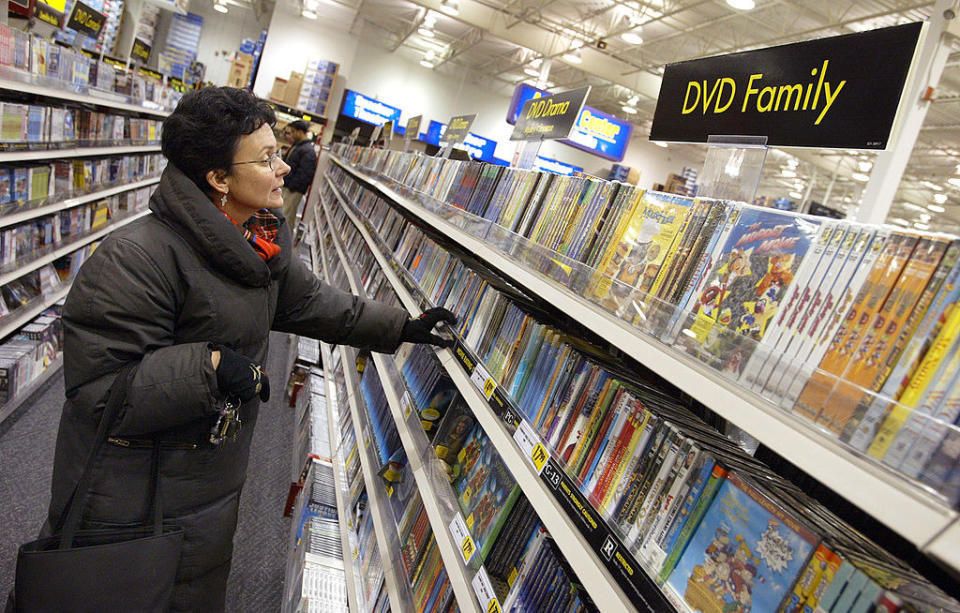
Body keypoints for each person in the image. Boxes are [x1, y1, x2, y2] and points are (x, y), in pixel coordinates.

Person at [41, 87, 455, 611]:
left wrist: (402, 326)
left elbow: (313, 304)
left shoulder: (257, 242)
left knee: (190, 587)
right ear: (218, 178)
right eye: (266, 158)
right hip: (133, 498)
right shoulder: (135, 258)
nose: (285, 168)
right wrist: (209, 366)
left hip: (206, 483)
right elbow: (98, 393)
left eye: (279, 151)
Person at [280, 119, 317, 223]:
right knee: (283, 214)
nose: (291, 135)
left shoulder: (308, 150)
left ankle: (284, 239)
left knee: (287, 217)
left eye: (293, 132)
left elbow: (306, 173)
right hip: (287, 187)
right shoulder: (298, 146)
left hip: (293, 190)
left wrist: (292, 186)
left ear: (300, 132)